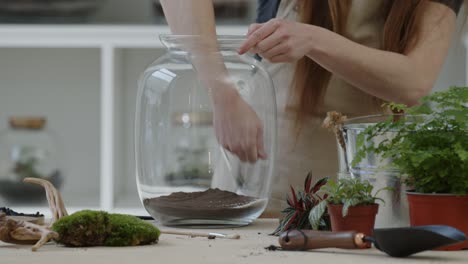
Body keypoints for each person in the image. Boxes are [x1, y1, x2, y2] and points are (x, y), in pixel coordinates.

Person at [160, 0, 465, 217]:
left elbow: (413, 82)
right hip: (271, 177)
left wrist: (313, 40)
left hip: (372, 187)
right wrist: (222, 92)